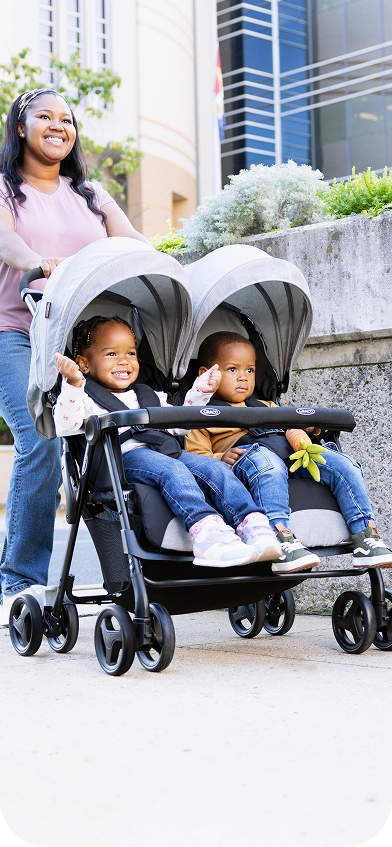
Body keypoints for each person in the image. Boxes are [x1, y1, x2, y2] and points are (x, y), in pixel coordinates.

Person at [0, 87, 149, 625]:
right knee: (40, 440)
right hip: (15, 333)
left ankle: (122, 571)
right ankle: (19, 581)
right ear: (21, 127)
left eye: (67, 119)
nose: (58, 126)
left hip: (78, 344)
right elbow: (5, 243)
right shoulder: (5, 190)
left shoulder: (89, 193)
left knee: (100, 450)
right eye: (45, 116)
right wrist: (40, 264)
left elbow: (132, 243)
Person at [53, 315, 282, 569]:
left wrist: (200, 392)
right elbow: (66, 424)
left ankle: (254, 526)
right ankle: (207, 534)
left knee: (214, 468)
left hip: (165, 452)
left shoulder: (149, 395)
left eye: (131, 353)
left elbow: (180, 423)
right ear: (83, 363)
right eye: (111, 354)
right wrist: (72, 385)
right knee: (171, 470)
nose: (124, 361)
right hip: (121, 460)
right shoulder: (85, 399)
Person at [184, 331, 392, 574]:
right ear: (205, 374)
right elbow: (195, 458)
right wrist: (221, 458)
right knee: (268, 463)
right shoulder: (200, 415)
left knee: (343, 464)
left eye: (249, 371)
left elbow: (295, 421)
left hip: (291, 454)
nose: (243, 378)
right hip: (249, 460)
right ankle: (281, 538)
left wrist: (310, 427)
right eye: (232, 370)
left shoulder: (267, 406)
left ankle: (366, 536)